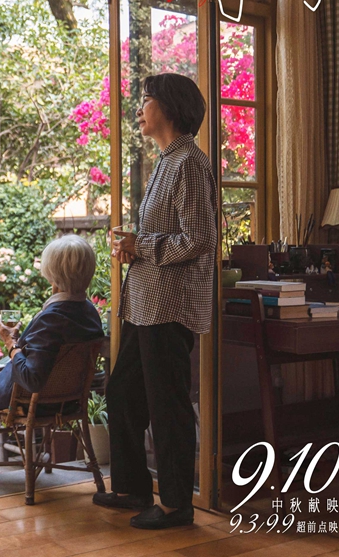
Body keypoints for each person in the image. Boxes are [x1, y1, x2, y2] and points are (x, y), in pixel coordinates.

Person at [94, 73, 217, 530]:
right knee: (124, 391)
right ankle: (131, 487)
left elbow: (199, 239)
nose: (139, 109)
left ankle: (175, 506)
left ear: (168, 107)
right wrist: (134, 242)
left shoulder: (188, 162)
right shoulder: (167, 160)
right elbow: (168, 236)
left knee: (168, 406)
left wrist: (140, 245)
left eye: (146, 100)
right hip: (144, 303)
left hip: (169, 306)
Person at [0, 234, 104, 480]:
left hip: (25, 400)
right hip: (68, 402)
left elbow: (31, 378)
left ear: (52, 275)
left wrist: (10, 343)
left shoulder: (50, 318)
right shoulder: (90, 313)